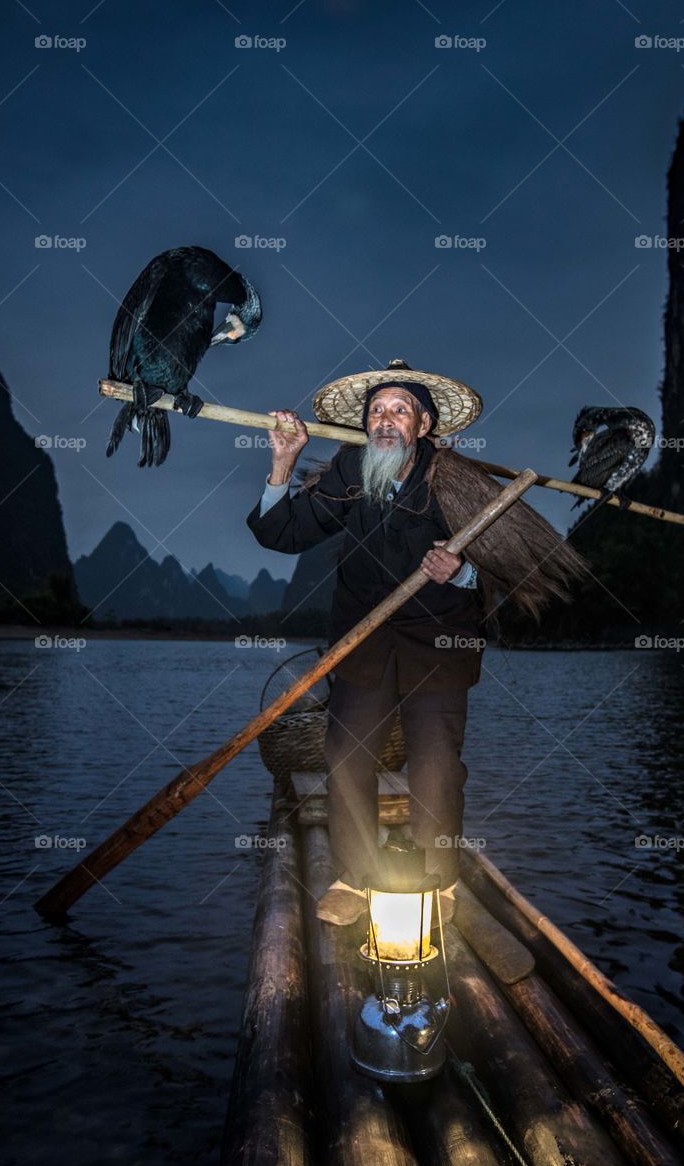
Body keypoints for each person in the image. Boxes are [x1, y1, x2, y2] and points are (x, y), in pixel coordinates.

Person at [247, 360, 586, 924]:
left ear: (423, 424)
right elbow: (283, 533)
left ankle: (440, 877)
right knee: (345, 756)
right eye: (377, 410)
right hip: (363, 639)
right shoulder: (350, 470)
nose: (386, 419)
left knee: (437, 765)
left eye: (399, 409)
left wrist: (462, 571)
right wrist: (282, 461)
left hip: (440, 643)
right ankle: (353, 878)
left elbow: (507, 568)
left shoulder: (454, 480)